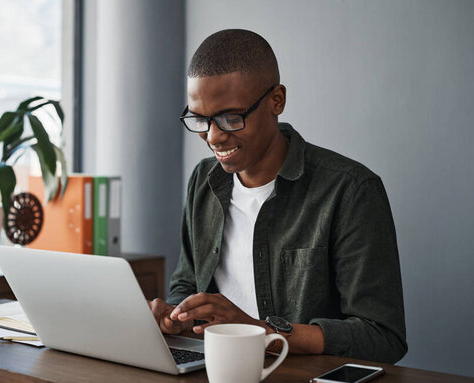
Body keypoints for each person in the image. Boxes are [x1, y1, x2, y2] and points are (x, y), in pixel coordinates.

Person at [149, 29, 407, 364]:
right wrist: (175, 316)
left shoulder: (350, 190)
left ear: (277, 100)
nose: (213, 137)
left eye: (230, 118)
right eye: (200, 119)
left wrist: (262, 332)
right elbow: (186, 285)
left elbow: (382, 337)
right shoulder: (204, 180)